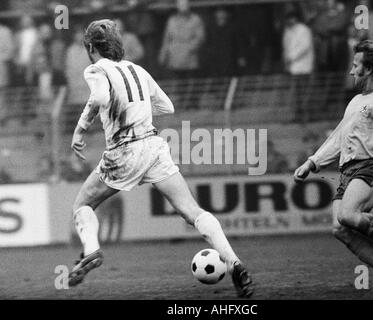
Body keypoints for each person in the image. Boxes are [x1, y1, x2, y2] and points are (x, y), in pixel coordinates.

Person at [67, 19, 253, 298]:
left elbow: (100, 97)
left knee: (83, 204)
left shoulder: (95, 69)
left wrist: (80, 130)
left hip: (124, 149)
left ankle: (91, 248)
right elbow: (167, 106)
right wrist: (137, 106)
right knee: (192, 211)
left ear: (91, 47)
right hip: (154, 147)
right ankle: (234, 262)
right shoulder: (138, 70)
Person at [294, 40, 373, 291]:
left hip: (370, 166)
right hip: (348, 171)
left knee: (347, 215)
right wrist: (312, 162)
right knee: (339, 229)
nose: (351, 71)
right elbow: (338, 139)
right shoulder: (355, 102)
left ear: (369, 69)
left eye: (355, 65)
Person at [158, 0, 205, 79]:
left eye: (185, 4)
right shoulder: (171, 20)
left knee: (190, 84)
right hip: (174, 58)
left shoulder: (195, 19)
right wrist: (163, 54)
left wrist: (189, 48)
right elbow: (167, 38)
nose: (183, 6)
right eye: (180, 4)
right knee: (176, 84)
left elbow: (200, 37)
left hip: (190, 59)